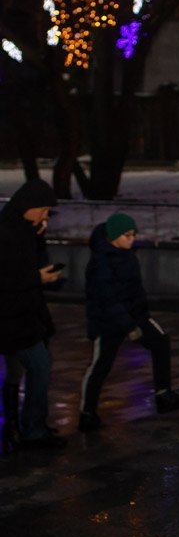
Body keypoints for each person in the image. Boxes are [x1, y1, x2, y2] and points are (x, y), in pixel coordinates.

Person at [78, 213, 179, 433]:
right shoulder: (101, 262)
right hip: (108, 322)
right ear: (113, 237)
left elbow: (132, 291)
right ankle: (87, 414)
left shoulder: (126, 255)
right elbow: (107, 299)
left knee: (160, 341)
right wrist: (129, 326)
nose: (132, 239)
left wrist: (140, 316)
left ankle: (164, 394)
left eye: (133, 235)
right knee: (100, 365)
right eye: (127, 235)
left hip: (136, 315)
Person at [0, 178, 66, 451]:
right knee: (40, 366)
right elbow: (7, 278)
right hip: (12, 318)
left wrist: (38, 236)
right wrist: (36, 277)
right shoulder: (4, 233)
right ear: (27, 205)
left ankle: (18, 427)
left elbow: (31, 264)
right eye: (43, 209)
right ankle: (32, 430)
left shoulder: (25, 230)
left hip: (26, 316)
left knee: (16, 372)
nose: (45, 215)